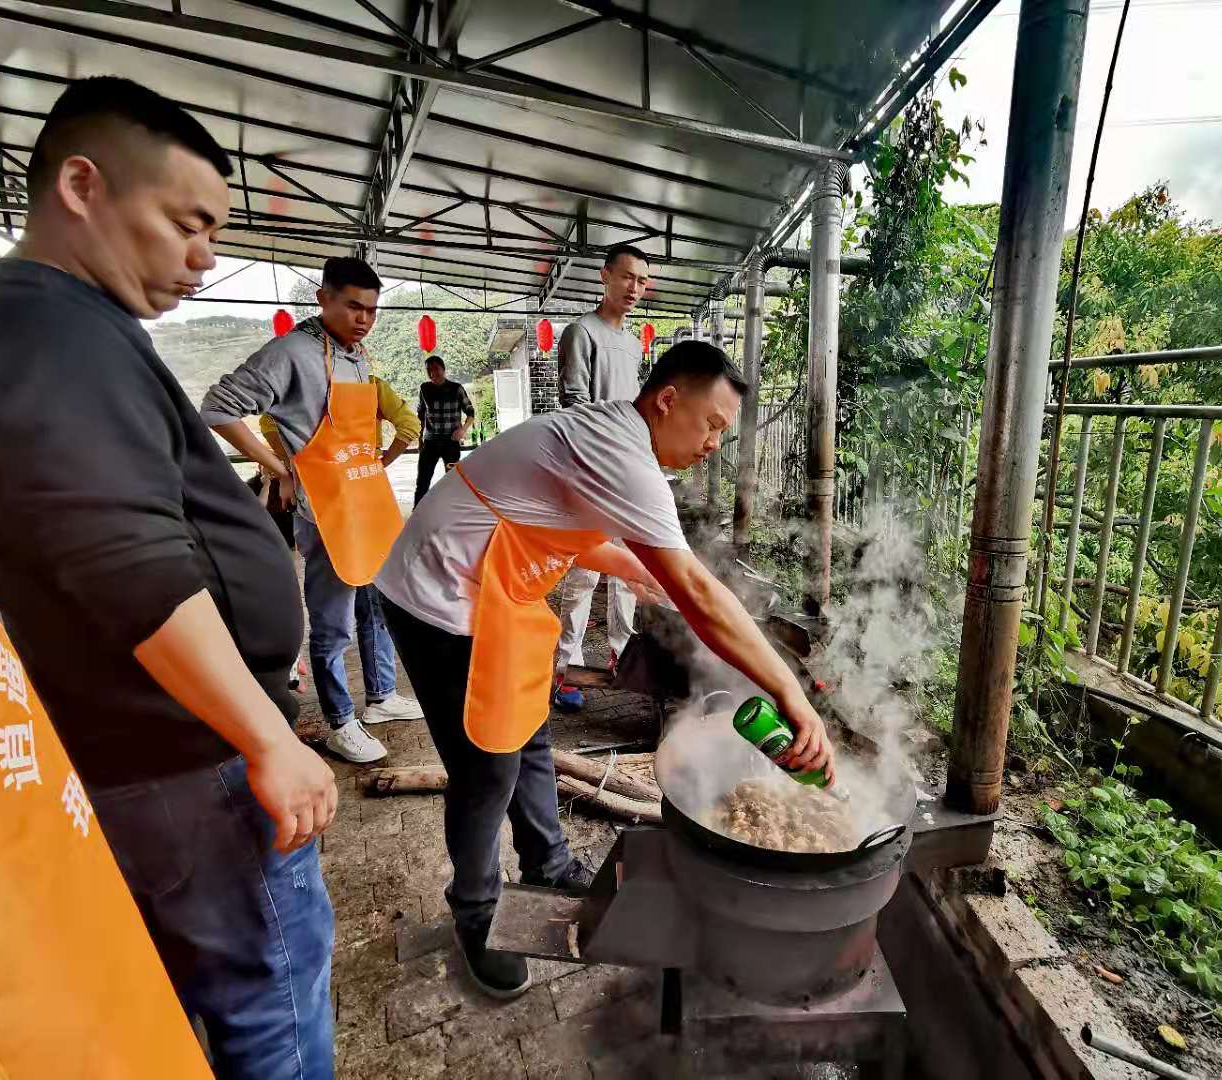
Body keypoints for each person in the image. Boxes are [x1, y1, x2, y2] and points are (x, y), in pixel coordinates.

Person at [0, 76, 337, 1078]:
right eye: (187, 223)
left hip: (157, 755)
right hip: (191, 762)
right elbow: (128, 563)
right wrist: (267, 736)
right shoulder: (50, 330)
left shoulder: (57, 325)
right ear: (82, 185)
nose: (205, 257)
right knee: (273, 994)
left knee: (216, 999)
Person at [374, 340, 834, 1000]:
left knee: (528, 730)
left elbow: (565, 515)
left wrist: (633, 568)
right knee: (486, 766)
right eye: (712, 425)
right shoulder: (623, 448)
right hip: (437, 598)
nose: (714, 444)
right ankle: (474, 915)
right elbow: (701, 596)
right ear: (668, 399)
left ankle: (548, 861)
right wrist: (789, 690)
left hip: (498, 595)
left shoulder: (618, 438)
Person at [202, 257, 423, 765]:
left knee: (376, 605)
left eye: (371, 309)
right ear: (323, 298)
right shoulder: (292, 352)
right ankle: (340, 721)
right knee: (333, 622)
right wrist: (278, 467)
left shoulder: (356, 354)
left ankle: (382, 696)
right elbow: (217, 407)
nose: (364, 318)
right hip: (324, 512)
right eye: (352, 306)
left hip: (364, 501)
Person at [552, 243, 652, 711]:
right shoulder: (580, 332)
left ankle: (622, 654)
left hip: (627, 473)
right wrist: (598, 461)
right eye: (627, 277)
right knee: (585, 571)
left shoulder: (634, 344)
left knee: (627, 577)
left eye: (642, 281)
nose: (635, 288)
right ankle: (565, 666)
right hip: (591, 470)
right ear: (605, 276)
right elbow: (575, 404)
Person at [414, 354, 475, 505]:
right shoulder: (425, 388)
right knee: (422, 481)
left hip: (451, 442)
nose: (432, 373)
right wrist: (420, 439)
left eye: (436, 369)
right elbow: (421, 414)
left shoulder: (456, 388)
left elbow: (471, 412)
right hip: (430, 442)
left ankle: (453, 512)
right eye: (429, 370)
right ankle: (418, 515)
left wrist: (463, 430)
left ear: (443, 369)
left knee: (453, 481)